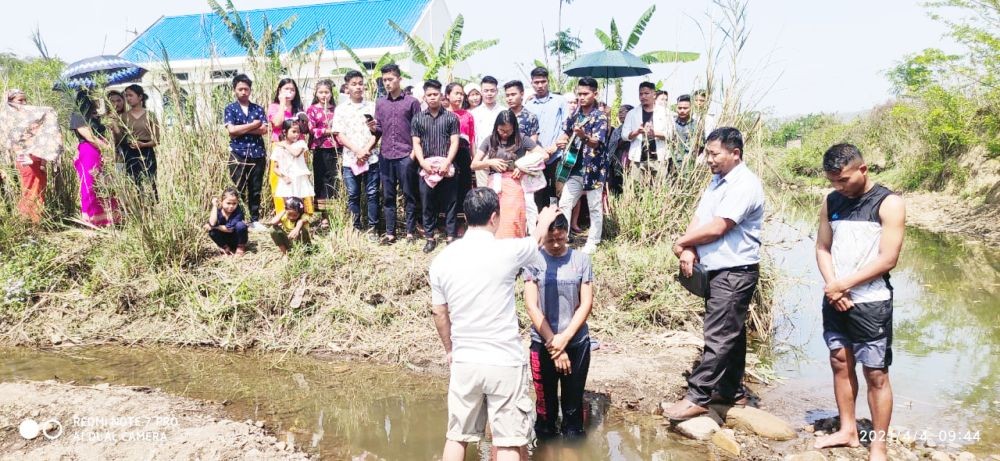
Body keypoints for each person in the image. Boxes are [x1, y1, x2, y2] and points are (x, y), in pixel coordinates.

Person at [429, 187, 561, 461]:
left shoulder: (441, 260)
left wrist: (450, 349)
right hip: (504, 360)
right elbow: (536, 240)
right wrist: (545, 217)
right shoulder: (507, 250)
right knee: (509, 441)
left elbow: (439, 312)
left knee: (457, 437)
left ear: (466, 217)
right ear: (494, 217)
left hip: (466, 360)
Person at [664, 127, 764, 421]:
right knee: (731, 333)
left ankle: (698, 396)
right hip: (716, 268)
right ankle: (732, 392)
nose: (708, 159)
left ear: (735, 154)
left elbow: (720, 226)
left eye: (713, 153)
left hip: (735, 270)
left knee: (719, 334)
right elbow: (701, 218)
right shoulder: (717, 181)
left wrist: (683, 242)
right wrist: (689, 248)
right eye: (706, 153)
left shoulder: (745, 185)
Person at [813, 144, 905, 461]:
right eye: (833, 181)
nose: (839, 187)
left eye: (844, 180)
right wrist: (832, 286)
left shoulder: (888, 203)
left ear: (863, 170)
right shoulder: (831, 200)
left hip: (871, 302)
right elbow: (823, 247)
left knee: (876, 374)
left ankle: (878, 444)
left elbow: (888, 259)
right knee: (840, 362)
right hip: (835, 297)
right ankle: (848, 430)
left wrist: (844, 285)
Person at [523, 212, 594, 441]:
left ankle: (572, 447)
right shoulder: (533, 261)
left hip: (576, 343)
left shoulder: (581, 261)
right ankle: (546, 449)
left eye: (560, 239)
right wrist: (555, 344)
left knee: (572, 410)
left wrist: (564, 340)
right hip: (542, 343)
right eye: (550, 239)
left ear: (567, 235)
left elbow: (586, 304)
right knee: (545, 411)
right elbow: (532, 307)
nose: (555, 244)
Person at [555, 78, 609, 255]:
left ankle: (593, 241)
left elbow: (596, 143)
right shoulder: (575, 114)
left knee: (594, 206)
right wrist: (563, 140)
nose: (582, 97)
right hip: (574, 169)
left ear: (595, 94)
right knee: (564, 203)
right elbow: (565, 131)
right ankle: (562, 238)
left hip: (594, 170)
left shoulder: (600, 116)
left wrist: (584, 136)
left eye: (586, 94)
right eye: (579, 94)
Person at [471, 110, 545, 239]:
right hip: (495, 184)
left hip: (516, 183)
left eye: (508, 131)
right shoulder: (489, 140)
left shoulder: (522, 139)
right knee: (496, 215)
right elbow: (474, 164)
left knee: (515, 216)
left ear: (514, 128)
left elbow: (543, 154)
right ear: (496, 127)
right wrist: (489, 162)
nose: (505, 134)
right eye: (501, 130)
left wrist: (523, 166)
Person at [375, 63, 423, 245]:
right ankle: (390, 233)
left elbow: (419, 130)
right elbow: (379, 129)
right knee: (388, 196)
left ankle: (410, 232)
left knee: (409, 195)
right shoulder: (380, 102)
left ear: (399, 79)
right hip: (386, 155)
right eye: (384, 80)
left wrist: (413, 155)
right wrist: (373, 128)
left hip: (405, 155)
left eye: (390, 79)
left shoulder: (411, 102)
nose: (387, 83)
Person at [412, 79, 461, 253]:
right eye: (429, 95)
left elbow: (455, 141)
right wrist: (423, 163)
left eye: (435, 94)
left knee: (450, 203)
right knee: (427, 204)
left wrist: (447, 162)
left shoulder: (451, 118)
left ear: (441, 96)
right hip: (426, 168)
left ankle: (450, 236)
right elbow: (416, 143)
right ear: (424, 97)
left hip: (447, 167)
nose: (432, 98)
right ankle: (430, 237)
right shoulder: (418, 118)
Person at [1, 89, 62, 223]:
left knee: (39, 187)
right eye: (19, 100)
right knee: (30, 189)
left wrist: (43, 161)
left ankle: (34, 221)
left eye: (25, 100)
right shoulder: (10, 121)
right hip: (24, 158)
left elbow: (43, 136)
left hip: (36, 157)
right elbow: (11, 143)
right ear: (10, 103)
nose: (24, 103)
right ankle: (28, 222)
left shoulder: (30, 117)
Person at [333, 70, 380, 237]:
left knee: (372, 193)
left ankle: (373, 228)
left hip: (371, 157)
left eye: (360, 83)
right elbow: (339, 134)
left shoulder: (373, 106)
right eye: (354, 84)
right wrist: (357, 151)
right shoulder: (341, 109)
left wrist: (366, 150)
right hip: (350, 159)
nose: (358, 87)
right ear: (347, 87)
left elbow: (378, 132)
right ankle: (356, 227)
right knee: (353, 195)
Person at [223, 74, 269, 229]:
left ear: (250, 90)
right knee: (239, 188)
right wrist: (253, 124)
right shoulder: (230, 108)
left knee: (255, 188)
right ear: (234, 90)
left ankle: (255, 219)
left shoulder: (258, 108)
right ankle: (240, 219)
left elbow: (263, 130)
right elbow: (231, 130)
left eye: (246, 89)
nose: (243, 92)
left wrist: (242, 128)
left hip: (257, 153)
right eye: (240, 89)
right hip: (238, 154)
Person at [69, 90, 118, 227]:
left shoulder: (95, 116)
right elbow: (88, 136)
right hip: (89, 151)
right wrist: (107, 147)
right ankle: (92, 218)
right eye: (93, 97)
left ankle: (108, 218)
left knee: (105, 183)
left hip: (100, 151)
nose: (97, 99)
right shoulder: (78, 115)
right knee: (90, 184)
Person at [527, 67, 569, 211]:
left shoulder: (560, 101)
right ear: (531, 83)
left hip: (557, 155)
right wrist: (539, 151)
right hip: (536, 156)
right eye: (536, 82)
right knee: (538, 191)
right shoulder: (528, 105)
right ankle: (540, 225)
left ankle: (557, 224)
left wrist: (555, 147)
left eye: (543, 82)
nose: (540, 85)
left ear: (548, 81)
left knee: (558, 190)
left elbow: (567, 127)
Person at [268, 78, 304, 215]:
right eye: (286, 89)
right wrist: (282, 104)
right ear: (279, 91)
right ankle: (282, 213)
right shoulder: (274, 107)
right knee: (279, 179)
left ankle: (298, 213)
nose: (289, 92)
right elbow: (277, 123)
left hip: (297, 148)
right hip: (280, 146)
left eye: (292, 89)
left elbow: (304, 129)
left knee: (297, 178)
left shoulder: (298, 108)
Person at [622, 82, 673, 180]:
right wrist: (637, 132)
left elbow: (671, 134)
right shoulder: (632, 114)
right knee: (637, 190)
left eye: (646, 93)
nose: (643, 96)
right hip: (637, 158)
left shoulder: (665, 112)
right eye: (641, 94)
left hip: (659, 158)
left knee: (659, 189)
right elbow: (624, 135)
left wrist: (655, 134)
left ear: (654, 94)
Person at [306, 79, 339, 229]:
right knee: (321, 181)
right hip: (320, 149)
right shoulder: (312, 109)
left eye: (327, 92)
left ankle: (334, 214)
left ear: (331, 93)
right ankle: (323, 216)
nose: (324, 95)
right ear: (316, 93)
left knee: (334, 181)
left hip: (336, 149)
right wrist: (328, 131)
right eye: (321, 92)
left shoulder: (336, 109)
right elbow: (312, 129)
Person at [121, 84, 160, 199]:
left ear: (140, 97)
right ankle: (138, 209)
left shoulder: (150, 115)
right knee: (135, 183)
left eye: (131, 95)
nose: (128, 99)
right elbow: (119, 138)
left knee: (150, 181)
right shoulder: (123, 116)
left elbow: (157, 140)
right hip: (130, 153)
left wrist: (143, 144)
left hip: (147, 152)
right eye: (126, 96)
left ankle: (152, 211)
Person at [445, 82, 476, 219]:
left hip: (463, 154)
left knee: (464, 186)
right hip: (447, 155)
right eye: (456, 93)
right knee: (448, 188)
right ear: (447, 95)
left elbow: (472, 138)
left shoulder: (467, 115)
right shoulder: (443, 114)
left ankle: (463, 221)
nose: (460, 97)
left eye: (461, 94)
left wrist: (474, 159)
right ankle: (448, 221)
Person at [272, 120, 315, 218]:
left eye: (298, 132)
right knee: (287, 204)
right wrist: (283, 176)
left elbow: (296, 154)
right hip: (286, 180)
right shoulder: (278, 147)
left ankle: (301, 225)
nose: (297, 135)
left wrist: (285, 145)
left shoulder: (301, 143)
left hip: (298, 178)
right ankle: (288, 226)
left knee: (299, 205)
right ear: (284, 132)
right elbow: (275, 168)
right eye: (293, 132)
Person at [470, 76, 505, 187]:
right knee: (484, 195)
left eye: (492, 90)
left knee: (500, 194)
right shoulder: (474, 113)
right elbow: (473, 139)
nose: (489, 94)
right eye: (486, 91)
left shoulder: (504, 111)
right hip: (482, 158)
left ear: (497, 91)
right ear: (481, 92)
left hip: (501, 158)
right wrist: (475, 158)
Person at [204, 187, 248, 256]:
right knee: (212, 232)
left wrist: (215, 227)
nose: (231, 206)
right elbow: (212, 223)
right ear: (222, 201)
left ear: (237, 203)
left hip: (236, 239)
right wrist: (215, 206)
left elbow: (230, 229)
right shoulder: (218, 211)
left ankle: (241, 246)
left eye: (234, 203)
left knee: (241, 225)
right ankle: (225, 247)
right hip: (224, 240)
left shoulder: (238, 212)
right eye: (228, 203)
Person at [606, 104, 633, 195]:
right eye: (619, 112)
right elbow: (613, 145)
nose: (620, 114)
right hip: (615, 164)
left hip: (629, 163)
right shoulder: (617, 130)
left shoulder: (635, 128)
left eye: (622, 112)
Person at [104, 90, 128, 172]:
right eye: (112, 101)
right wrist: (113, 121)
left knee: (123, 179)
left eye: (119, 100)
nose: (116, 104)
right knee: (113, 179)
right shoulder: (104, 119)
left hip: (126, 154)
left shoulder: (127, 117)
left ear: (123, 101)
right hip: (111, 155)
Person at [673, 94, 696, 164]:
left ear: (691, 108)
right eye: (679, 108)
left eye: (685, 108)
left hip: (689, 162)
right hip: (672, 162)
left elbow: (700, 146)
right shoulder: (671, 124)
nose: (682, 111)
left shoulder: (696, 126)